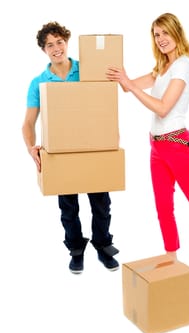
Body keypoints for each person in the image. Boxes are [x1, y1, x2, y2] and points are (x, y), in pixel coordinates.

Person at [106, 12, 189, 281]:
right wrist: (118, 76)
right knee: (163, 206)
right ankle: (171, 259)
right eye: (156, 34)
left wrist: (130, 84)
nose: (161, 39)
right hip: (157, 147)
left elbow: (164, 108)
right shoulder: (162, 67)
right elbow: (128, 87)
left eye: (165, 32)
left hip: (178, 145)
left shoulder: (184, 66)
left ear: (176, 32)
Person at [22, 21, 119, 274]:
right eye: (50, 45)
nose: (56, 48)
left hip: (92, 148)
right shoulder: (39, 82)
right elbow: (28, 123)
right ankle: (76, 251)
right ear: (44, 50)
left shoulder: (86, 70)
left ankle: (102, 246)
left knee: (101, 203)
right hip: (61, 153)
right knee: (68, 206)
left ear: (67, 41)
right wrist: (31, 147)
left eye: (59, 42)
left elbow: (106, 98)